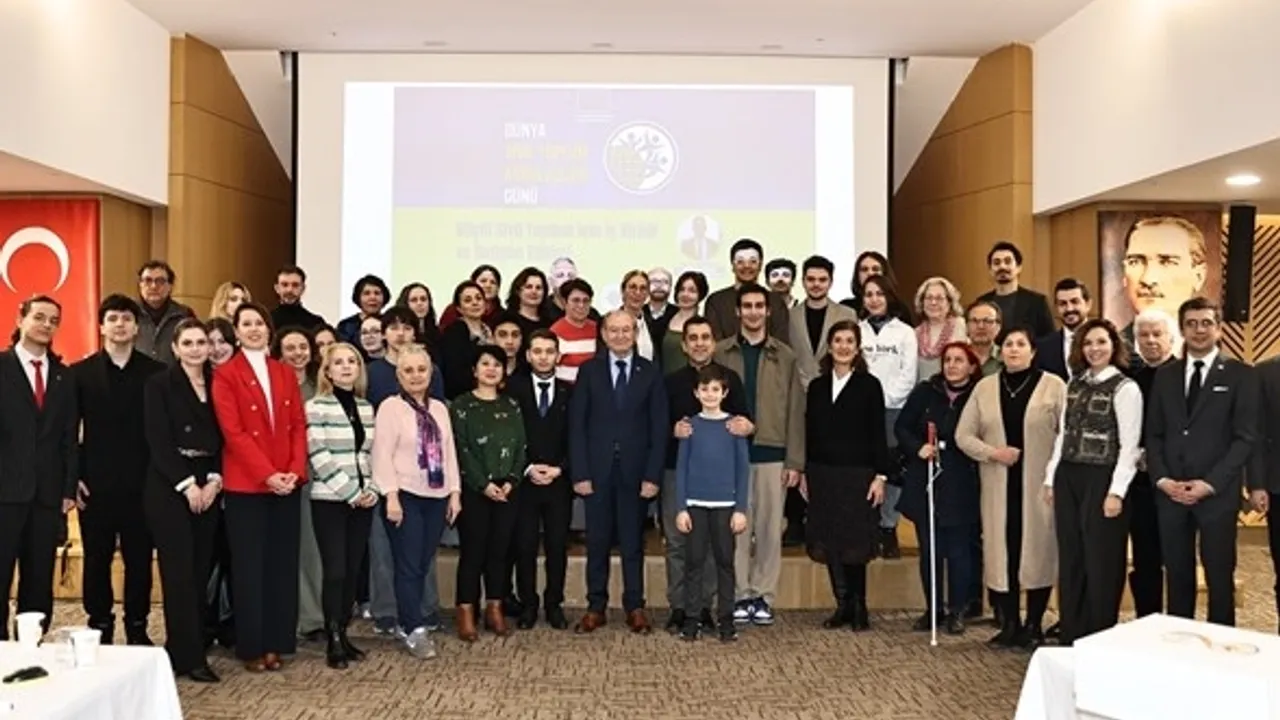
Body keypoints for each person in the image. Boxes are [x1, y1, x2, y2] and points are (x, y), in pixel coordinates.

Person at [1146, 297, 1258, 626]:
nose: (1199, 330)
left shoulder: (1241, 375)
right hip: (1172, 494)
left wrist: (1210, 484)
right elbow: (1154, 434)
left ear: (1219, 329)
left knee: (1219, 578)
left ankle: (1220, 647)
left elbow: (1245, 439)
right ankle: (1180, 645)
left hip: (1217, 496)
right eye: (1191, 324)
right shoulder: (1165, 376)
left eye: (1206, 323)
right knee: (1177, 576)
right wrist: (1163, 480)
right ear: (1182, 330)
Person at [211, 303, 309, 672]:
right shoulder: (226, 374)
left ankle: (277, 642)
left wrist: (294, 471)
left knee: (282, 566)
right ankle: (251, 645)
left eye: (259, 323)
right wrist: (267, 475)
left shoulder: (283, 372)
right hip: (247, 485)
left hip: (287, 483)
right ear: (236, 332)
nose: (254, 329)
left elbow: (298, 425)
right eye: (246, 324)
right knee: (249, 567)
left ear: (269, 329)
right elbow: (233, 433)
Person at [955, 327, 1066, 649]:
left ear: (1033, 350)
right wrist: (993, 453)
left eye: (1021, 344)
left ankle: (1033, 624)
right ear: (1000, 350)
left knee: (1039, 551)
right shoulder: (985, 388)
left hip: (1039, 486)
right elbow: (964, 435)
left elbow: (1066, 435)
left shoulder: (1054, 386)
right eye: (1008, 344)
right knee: (1002, 553)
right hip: (998, 485)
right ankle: (1010, 624)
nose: (1014, 349)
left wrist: (1056, 475)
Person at [569, 310, 669, 634]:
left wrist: (652, 476)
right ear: (603, 334)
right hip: (596, 472)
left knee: (632, 543)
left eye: (626, 330)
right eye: (614, 330)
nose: (620, 336)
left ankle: (635, 606)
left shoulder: (650, 372)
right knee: (597, 542)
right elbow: (577, 426)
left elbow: (659, 428)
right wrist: (580, 473)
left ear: (635, 333)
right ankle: (595, 607)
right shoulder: (589, 371)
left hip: (635, 474)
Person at [73, 294, 164, 645]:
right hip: (95, 485)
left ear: (136, 327)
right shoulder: (80, 374)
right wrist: (74, 477)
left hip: (143, 484)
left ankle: (137, 626)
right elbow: (70, 432)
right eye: (112, 318)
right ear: (101, 326)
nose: (120, 324)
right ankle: (100, 625)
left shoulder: (156, 374)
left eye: (127, 318)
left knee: (139, 560)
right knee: (96, 559)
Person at [1043, 319, 1141, 645]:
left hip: (1103, 479)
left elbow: (1130, 446)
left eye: (1101, 342)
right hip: (1069, 476)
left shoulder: (1125, 388)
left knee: (1102, 559)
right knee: (1071, 556)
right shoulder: (1075, 384)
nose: (1094, 349)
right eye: (1088, 343)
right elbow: (1063, 435)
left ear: (1114, 346)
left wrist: (1117, 492)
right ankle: (1072, 632)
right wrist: (1050, 478)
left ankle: (1100, 635)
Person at [714, 283, 805, 627]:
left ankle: (763, 596)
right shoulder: (721, 353)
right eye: (747, 306)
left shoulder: (785, 355)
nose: (753, 312)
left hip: (772, 453)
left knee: (769, 529)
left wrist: (794, 461)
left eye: (759, 306)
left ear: (768, 311)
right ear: (737, 312)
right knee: (736, 527)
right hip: (730, 454)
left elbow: (795, 410)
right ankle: (740, 593)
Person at [143, 318, 223, 682]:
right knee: (178, 573)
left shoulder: (219, 382)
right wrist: (188, 485)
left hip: (210, 481)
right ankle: (191, 658)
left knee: (200, 570)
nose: (195, 349)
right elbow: (157, 439)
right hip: (170, 484)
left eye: (201, 342)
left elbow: (229, 436)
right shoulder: (159, 384)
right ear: (175, 348)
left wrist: (215, 481)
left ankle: (182, 648)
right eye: (187, 343)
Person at [663, 317, 753, 633]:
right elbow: (657, 423)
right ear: (684, 344)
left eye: (705, 337)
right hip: (678, 472)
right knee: (678, 543)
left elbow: (745, 421)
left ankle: (705, 607)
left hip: (719, 481)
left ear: (714, 343)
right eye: (693, 338)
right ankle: (680, 607)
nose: (699, 343)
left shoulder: (730, 379)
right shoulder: (671, 382)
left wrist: (747, 426)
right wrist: (672, 430)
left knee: (715, 549)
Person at [373, 344, 463, 658]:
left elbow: (449, 452)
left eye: (421, 370)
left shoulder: (440, 408)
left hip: (437, 496)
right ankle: (413, 628)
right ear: (399, 375)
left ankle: (407, 618)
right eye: (408, 370)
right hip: (405, 495)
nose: (415, 376)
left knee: (423, 563)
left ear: (431, 373)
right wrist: (391, 496)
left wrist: (455, 493)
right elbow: (381, 454)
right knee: (409, 565)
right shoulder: (390, 408)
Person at [802, 320, 890, 631]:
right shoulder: (816, 387)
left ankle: (859, 606)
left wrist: (880, 475)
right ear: (829, 346)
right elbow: (809, 433)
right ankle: (842, 605)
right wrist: (805, 472)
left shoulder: (869, 385)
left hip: (858, 475)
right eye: (837, 340)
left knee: (855, 543)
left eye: (849, 341)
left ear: (857, 347)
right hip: (823, 474)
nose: (843, 346)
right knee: (830, 541)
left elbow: (878, 433)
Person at [0, 296, 78, 640]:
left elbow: (69, 437)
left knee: (38, 578)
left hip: (47, 494)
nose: (47, 324)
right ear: (20, 320)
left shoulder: (64, 376)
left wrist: (68, 488)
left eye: (53, 320)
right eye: (39, 317)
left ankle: (32, 644)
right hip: (4, 491)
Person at [895, 342, 982, 635]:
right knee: (930, 550)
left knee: (958, 551)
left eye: (959, 360)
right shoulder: (926, 392)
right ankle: (933, 609)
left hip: (961, 481)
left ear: (972, 366)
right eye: (948, 360)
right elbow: (902, 428)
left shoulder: (979, 394)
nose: (952, 365)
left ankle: (958, 610)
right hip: (927, 479)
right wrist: (917, 447)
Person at [305, 342, 378, 669]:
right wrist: (350, 492)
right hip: (330, 499)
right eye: (339, 362)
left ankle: (345, 632)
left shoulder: (366, 408)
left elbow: (370, 455)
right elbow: (318, 455)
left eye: (352, 361)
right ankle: (333, 637)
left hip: (364, 501)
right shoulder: (315, 407)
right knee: (335, 570)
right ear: (328, 370)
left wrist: (371, 489)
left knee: (352, 570)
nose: (346, 367)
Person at [450, 345, 527, 640]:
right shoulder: (461, 406)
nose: (491, 369)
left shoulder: (512, 405)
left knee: (500, 552)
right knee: (474, 553)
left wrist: (512, 480)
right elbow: (462, 450)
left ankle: (495, 608)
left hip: (508, 490)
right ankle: (466, 611)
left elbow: (521, 446)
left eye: (497, 364)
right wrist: (483, 484)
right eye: (485, 363)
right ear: (474, 370)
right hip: (474, 490)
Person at [508, 330, 573, 630]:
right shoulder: (513, 389)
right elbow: (509, 436)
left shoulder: (570, 391)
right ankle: (529, 605)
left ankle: (554, 604)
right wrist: (526, 468)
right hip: (525, 481)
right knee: (525, 546)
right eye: (538, 351)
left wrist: (561, 468)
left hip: (559, 482)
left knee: (557, 546)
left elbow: (577, 435)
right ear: (528, 355)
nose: (543, 357)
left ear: (558, 356)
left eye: (549, 351)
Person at [860, 274, 919, 559]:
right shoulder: (856, 330)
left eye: (879, 294)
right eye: (868, 294)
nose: (874, 300)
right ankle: (868, 526)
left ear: (889, 297)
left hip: (895, 408)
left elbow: (909, 373)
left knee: (893, 470)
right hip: (861, 411)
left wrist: (884, 399)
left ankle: (888, 526)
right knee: (866, 467)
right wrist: (867, 401)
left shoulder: (905, 332)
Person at [1126, 308, 1178, 616]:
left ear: (1171, 338)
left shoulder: (1184, 376)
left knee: (1178, 559)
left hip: (1178, 482)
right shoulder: (1131, 381)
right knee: (1145, 559)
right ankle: (1147, 619)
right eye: (1143, 335)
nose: (1150, 341)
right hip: (1142, 483)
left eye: (1157, 334)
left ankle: (1179, 623)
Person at [272, 326, 323, 640]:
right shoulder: (272, 384)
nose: (297, 353)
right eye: (290, 348)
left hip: (315, 477)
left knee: (311, 551)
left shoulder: (321, 386)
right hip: (277, 478)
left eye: (303, 347)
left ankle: (311, 618)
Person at [703, 238, 791, 341]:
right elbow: (714, 342)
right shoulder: (716, 301)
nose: (747, 266)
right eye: (740, 262)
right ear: (732, 265)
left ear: (760, 265)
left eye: (753, 261)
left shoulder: (775, 301)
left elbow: (780, 343)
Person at [976, 242, 1055, 341]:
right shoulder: (981, 303)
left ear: (1019, 267)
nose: (1002, 267)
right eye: (996, 263)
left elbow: (1049, 340)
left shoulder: (1037, 302)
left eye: (1007, 261)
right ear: (990, 270)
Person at [439, 280, 495, 399]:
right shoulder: (455, 331)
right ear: (459, 308)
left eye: (478, 298)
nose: (475, 303)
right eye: (468, 300)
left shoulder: (489, 331)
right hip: (462, 398)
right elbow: (454, 374)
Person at [1035, 278, 1092, 381]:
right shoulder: (1043, 348)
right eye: (1063, 304)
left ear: (1088, 304)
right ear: (1056, 308)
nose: (1069, 309)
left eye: (1075, 302)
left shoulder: (1107, 341)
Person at [913, 277, 967, 382]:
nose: (933, 302)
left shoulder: (961, 326)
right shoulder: (915, 333)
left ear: (949, 302)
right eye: (929, 298)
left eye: (939, 298)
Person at [336, 275, 391, 348]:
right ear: (358, 298)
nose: (372, 297)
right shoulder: (346, 326)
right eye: (366, 293)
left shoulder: (390, 323)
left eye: (377, 293)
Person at [270, 266, 328, 332]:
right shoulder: (267, 322)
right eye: (285, 285)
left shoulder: (316, 323)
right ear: (277, 288)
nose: (289, 290)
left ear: (303, 289)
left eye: (295, 285)